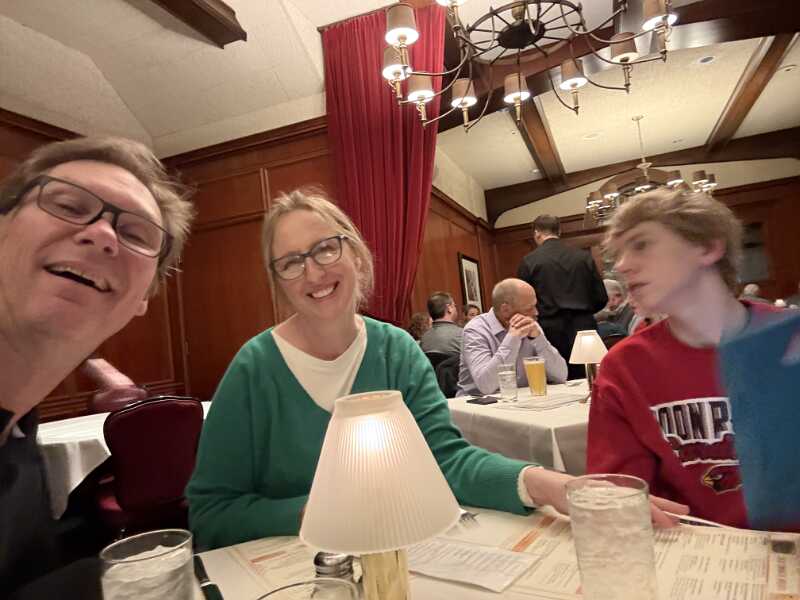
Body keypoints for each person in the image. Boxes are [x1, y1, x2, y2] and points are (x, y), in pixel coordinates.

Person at [185, 188, 688, 550]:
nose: (313, 271)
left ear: (354, 253)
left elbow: (446, 462)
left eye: (325, 248)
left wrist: (553, 485)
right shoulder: (254, 368)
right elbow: (210, 513)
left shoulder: (396, 351)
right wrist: (324, 512)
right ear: (277, 279)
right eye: (291, 262)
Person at [0, 137, 194, 596]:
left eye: (136, 234)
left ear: (144, 298)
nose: (103, 234)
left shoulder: (20, 438)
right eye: (68, 206)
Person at [587, 188, 780, 529]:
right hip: (690, 546)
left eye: (641, 244)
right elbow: (621, 495)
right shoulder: (624, 368)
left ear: (707, 247)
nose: (621, 265)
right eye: (618, 254)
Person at [517, 215, 608, 379]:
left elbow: (523, 301)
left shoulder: (529, 261)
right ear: (559, 231)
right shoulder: (583, 257)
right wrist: (584, 311)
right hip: (584, 327)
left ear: (537, 233)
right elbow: (601, 297)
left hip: (549, 329)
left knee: (557, 378)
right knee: (590, 378)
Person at [456, 278, 568, 397]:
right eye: (529, 308)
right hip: (477, 404)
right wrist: (512, 339)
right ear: (505, 309)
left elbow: (561, 376)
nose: (536, 312)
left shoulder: (530, 325)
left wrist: (539, 340)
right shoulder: (475, 330)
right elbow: (486, 386)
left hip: (522, 400)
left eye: (535, 306)